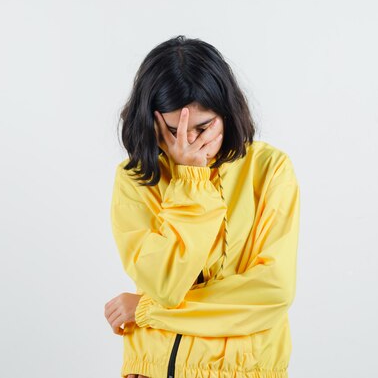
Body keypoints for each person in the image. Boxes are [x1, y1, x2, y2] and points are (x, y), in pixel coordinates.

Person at [104, 35, 301, 378]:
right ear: (151, 122)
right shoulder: (136, 179)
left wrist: (146, 310)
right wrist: (191, 180)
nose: (190, 142)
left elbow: (271, 293)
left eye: (203, 127)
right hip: (151, 369)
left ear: (226, 113)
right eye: (173, 129)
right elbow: (166, 283)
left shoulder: (271, 170)